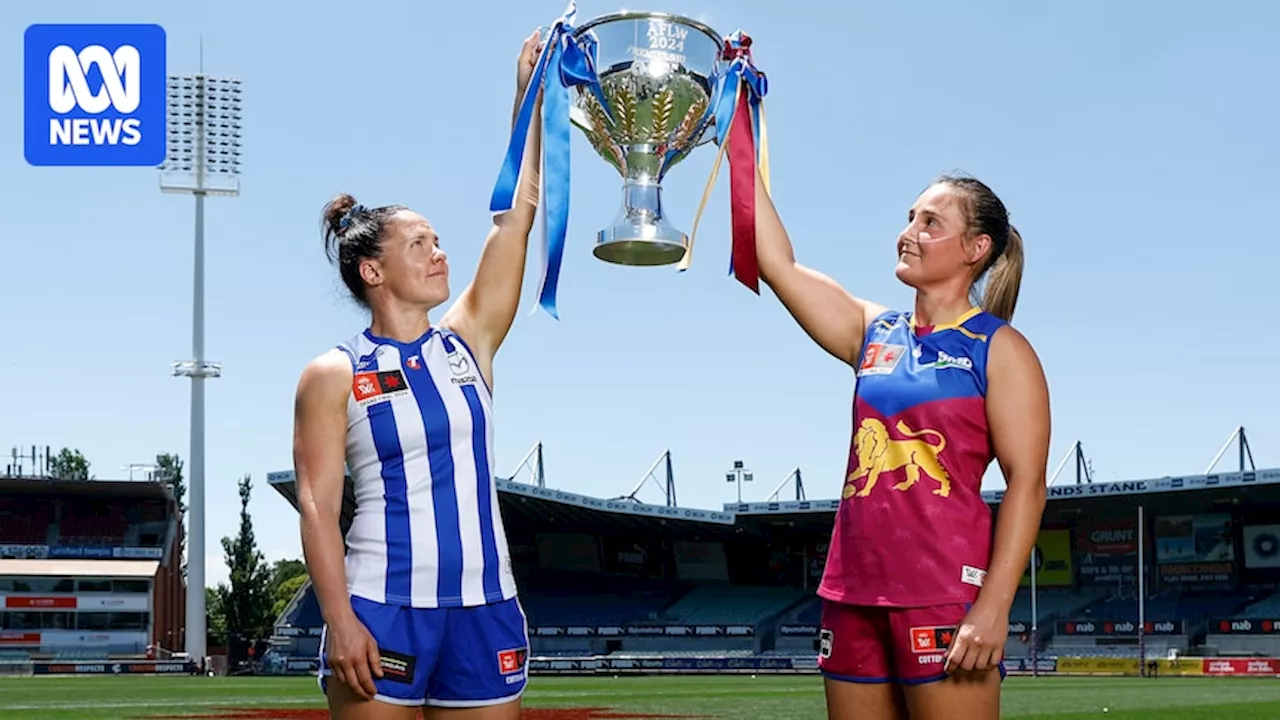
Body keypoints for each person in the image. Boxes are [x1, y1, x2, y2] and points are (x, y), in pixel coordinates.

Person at [292, 31, 544, 720]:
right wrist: (340, 620)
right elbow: (317, 505)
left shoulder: (469, 342)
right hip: (381, 607)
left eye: (437, 241)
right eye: (419, 244)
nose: (440, 253)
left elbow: (515, 223)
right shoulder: (333, 372)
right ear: (372, 271)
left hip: (486, 606)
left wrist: (526, 99)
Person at [746, 165, 1050, 720]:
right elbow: (776, 263)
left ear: (975, 248)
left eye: (930, 222)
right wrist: (735, 138)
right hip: (851, 593)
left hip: (943, 595)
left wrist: (994, 607)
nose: (908, 232)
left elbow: (1027, 484)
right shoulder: (873, 331)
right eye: (910, 218)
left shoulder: (1000, 349)